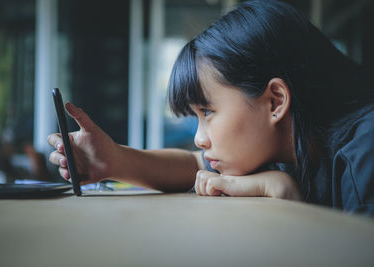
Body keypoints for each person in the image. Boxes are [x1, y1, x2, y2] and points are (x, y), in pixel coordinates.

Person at [48, 0, 374, 215]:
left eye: (208, 112)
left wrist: (288, 198)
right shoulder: (284, 146)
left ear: (275, 101)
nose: (200, 139)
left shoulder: (365, 158)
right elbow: (193, 166)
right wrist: (113, 160)